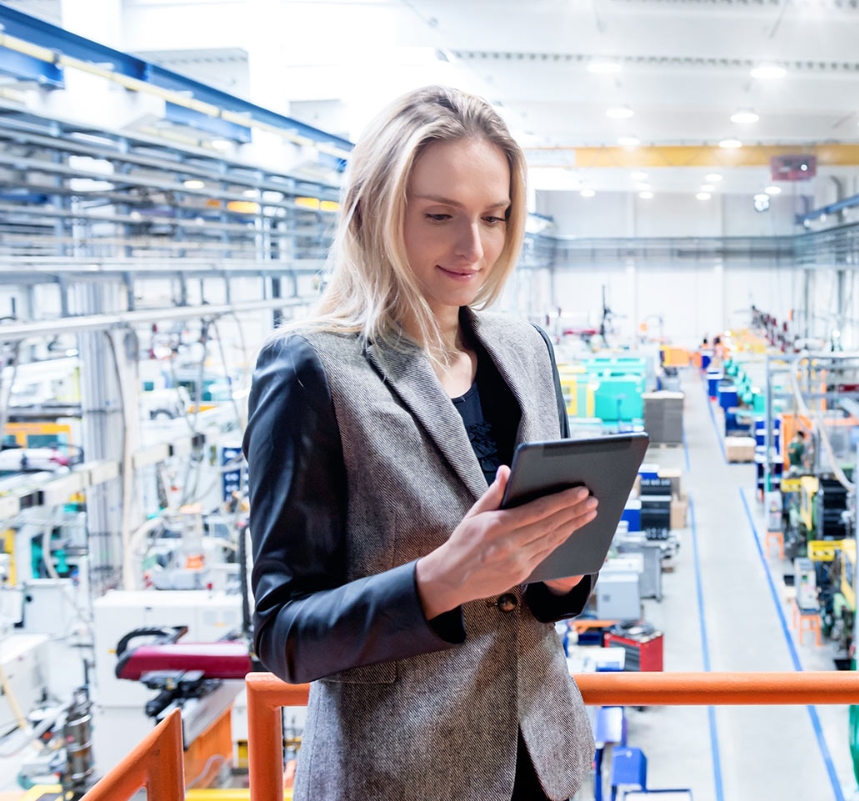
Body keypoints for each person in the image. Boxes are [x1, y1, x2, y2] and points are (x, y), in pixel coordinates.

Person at [244, 86, 598, 801]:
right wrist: (440, 582)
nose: (474, 247)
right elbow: (284, 634)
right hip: (398, 776)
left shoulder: (524, 348)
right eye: (440, 216)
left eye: (494, 218)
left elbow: (534, 598)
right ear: (374, 210)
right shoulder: (312, 369)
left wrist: (564, 574)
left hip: (544, 761)